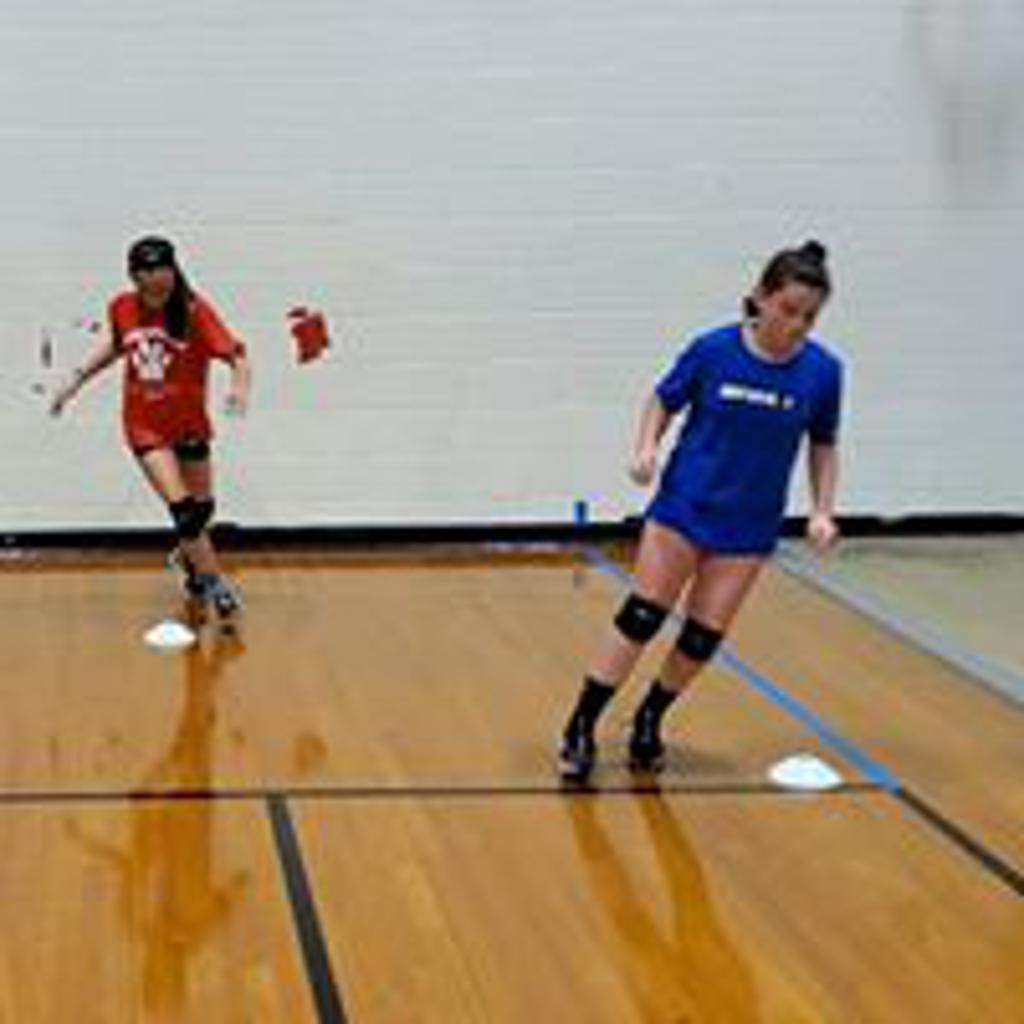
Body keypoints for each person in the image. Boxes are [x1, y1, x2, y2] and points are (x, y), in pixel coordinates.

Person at [559, 240, 843, 783]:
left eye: (809, 316)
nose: (797, 325)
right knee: (642, 618)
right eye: (788, 310)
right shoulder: (713, 350)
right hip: (685, 509)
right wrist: (646, 448)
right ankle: (581, 724)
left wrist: (823, 509)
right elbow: (663, 398)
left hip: (749, 525)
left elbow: (824, 442)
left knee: (701, 638)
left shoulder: (823, 372)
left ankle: (650, 716)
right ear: (761, 298)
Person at [50, 236, 251, 619]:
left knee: (203, 508)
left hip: (190, 423)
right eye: (145, 276)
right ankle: (215, 583)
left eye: (162, 274)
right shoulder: (122, 307)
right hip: (145, 426)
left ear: (175, 273)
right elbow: (115, 345)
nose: (155, 283)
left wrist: (239, 390)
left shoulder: (195, 311)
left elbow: (237, 357)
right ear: (133, 277)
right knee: (185, 513)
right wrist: (75, 379)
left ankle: (191, 563)